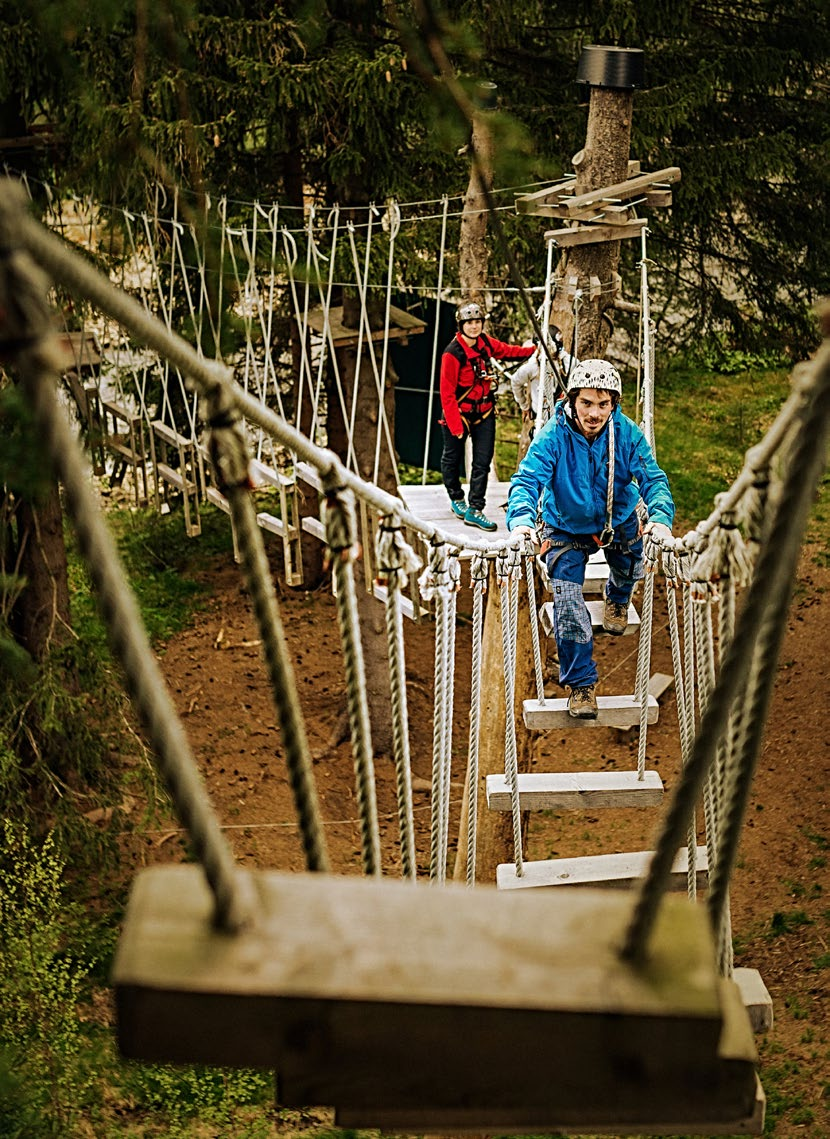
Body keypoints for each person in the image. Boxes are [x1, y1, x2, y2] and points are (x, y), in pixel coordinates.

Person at [506, 358, 674, 719]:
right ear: (572, 400)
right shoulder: (553, 435)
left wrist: (660, 518)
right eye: (587, 403)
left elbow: (653, 479)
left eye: (603, 404)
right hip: (564, 526)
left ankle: (618, 596)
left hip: (618, 519)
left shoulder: (626, 434)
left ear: (614, 404)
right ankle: (582, 685)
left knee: (630, 565)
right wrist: (521, 521)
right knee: (567, 605)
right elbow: (527, 480)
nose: (594, 413)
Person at [439, 301, 536, 532]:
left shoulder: (484, 343)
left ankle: (475, 508)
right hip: (459, 414)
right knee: (451, 457)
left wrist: (534, 351)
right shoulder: (452, 354)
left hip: (483, 412)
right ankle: (456, 497)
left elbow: (507, 351)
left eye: (477, 322)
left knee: (482, 461)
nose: (474, 326)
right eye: (469, 322)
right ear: (461, 325)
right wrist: (456, 425)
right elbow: (447, 393)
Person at [510, 325, 576, 441]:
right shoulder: (533, 366)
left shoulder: (568, 363)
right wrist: (524, 405)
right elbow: (515, 381)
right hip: (541, 416)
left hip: (564, 416)